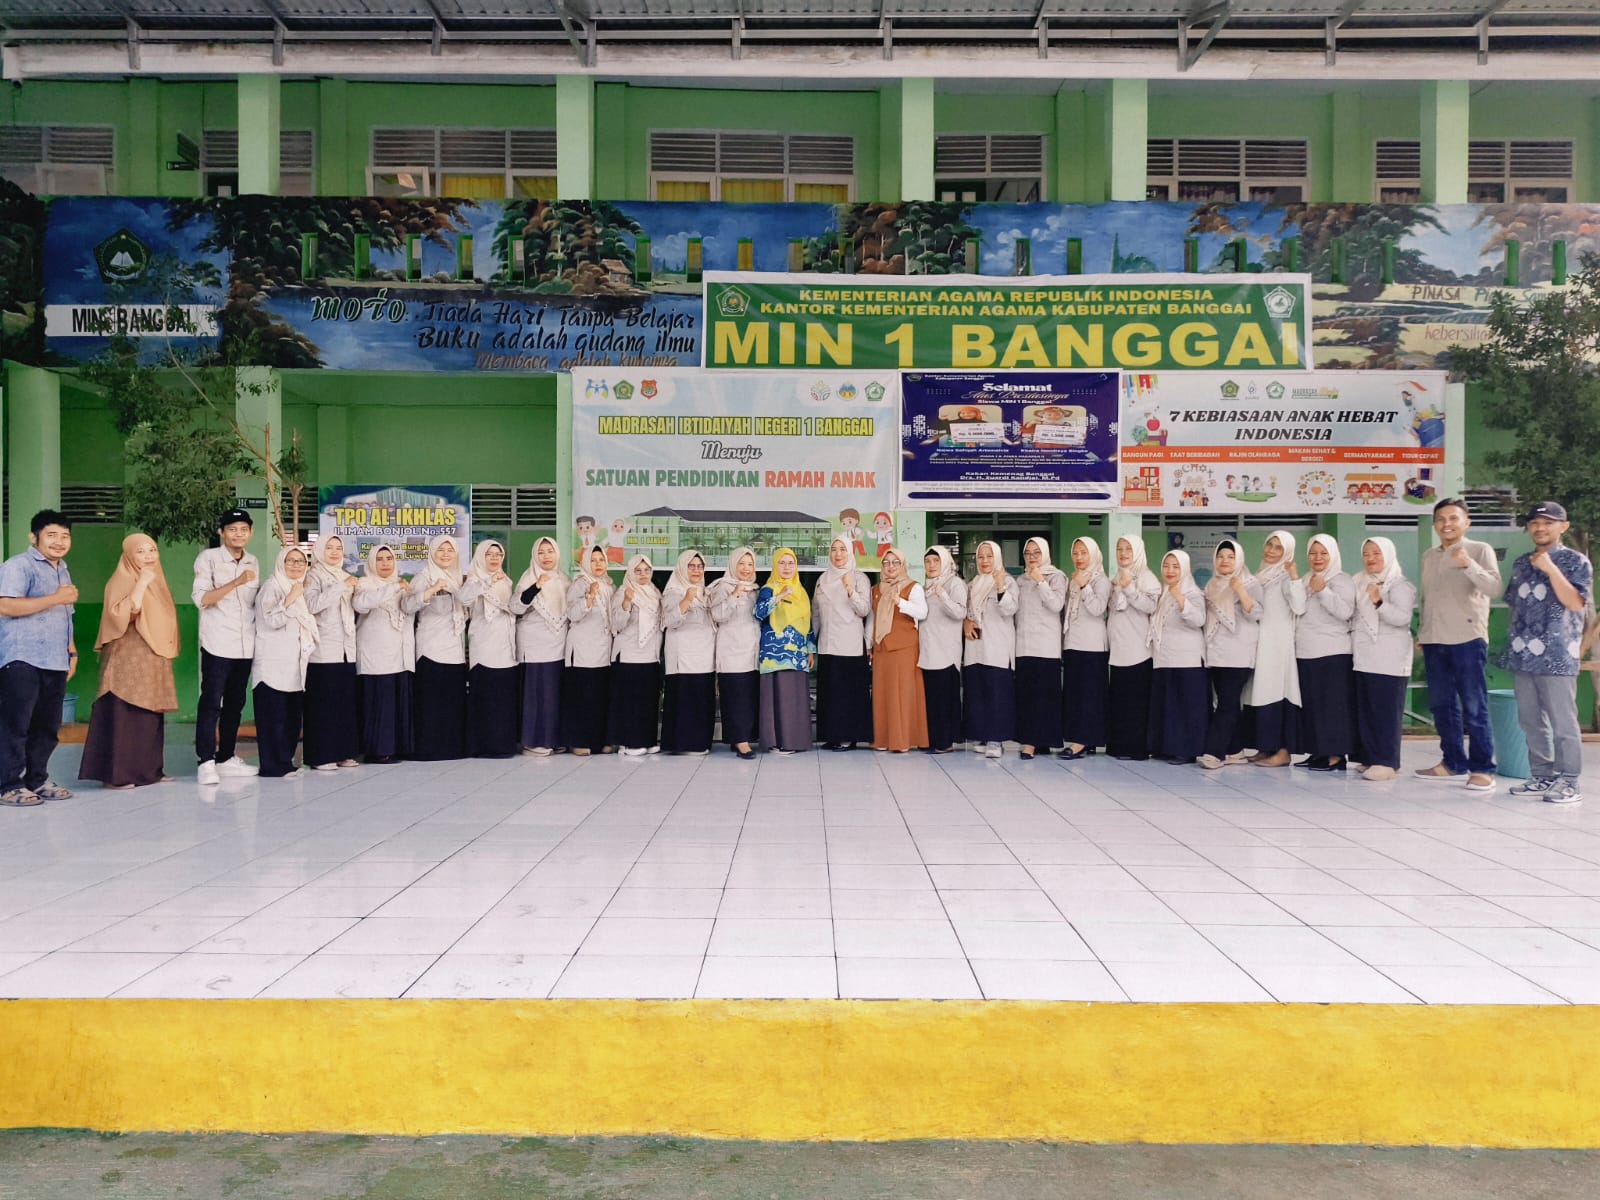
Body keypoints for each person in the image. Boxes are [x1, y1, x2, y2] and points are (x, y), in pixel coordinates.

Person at [1504, 501, 1592, 804]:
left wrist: (1550, 568)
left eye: (1548, 523)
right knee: (1530, 720)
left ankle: (1570, 781)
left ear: (1563, 527)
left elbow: (1575, 603)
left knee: (1563, 722)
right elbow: (1515, 605)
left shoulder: (1576, 562)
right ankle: (1542, 775)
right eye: (1535, 523)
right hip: (1523, 654)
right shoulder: (1521, 563)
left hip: (1558, 655)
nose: (1540, 528)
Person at [79, 533, 178, 789]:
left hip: (152, 658)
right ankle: (117, 777)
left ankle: (150, 772)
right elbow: (126, 614)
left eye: (152, 550)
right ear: (129, 556)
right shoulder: (121, 580)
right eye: (140, 552)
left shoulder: (159, 581)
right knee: (124, 713)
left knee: (149, 715)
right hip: (126, 659)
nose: (148, 556)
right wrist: (142, 582)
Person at [1416, 498, 1502, 791]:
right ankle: (1452, 762)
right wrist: (1423, 632)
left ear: (1467, 522)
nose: (1447, 524)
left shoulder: (1479, 550)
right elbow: (1428, 598)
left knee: (1474, 706)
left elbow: (1494, 588)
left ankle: (1483, 768)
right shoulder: (1429, 556)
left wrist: (1469, 565)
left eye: (1453, 518)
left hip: (1467, 640)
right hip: (1434, 640)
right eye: (1441, 519)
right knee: (1442, 705)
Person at [0, 510, 78, 806]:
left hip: (55, 658)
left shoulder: (62, 569)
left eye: (65, 536)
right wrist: (56, 598)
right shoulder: (18, 566)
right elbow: (6, 606)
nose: (59, 541)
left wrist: (71, 651)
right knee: (16, 724)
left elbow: (65, 615)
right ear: (34, 538)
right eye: (51, 535)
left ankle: (37, 779)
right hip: (22, 657)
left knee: (47, 726)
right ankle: (8, 784)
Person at [191, 507, 260, 786]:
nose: (238, 534)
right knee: (211, 702)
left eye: (243, 529)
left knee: (235, 703)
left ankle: (226, 757)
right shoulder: (208, 559)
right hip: (217, 644)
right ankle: (206, 761)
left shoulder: (253, 561)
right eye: (232, 529)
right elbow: (203, 599)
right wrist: (237, 581)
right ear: (222, 532)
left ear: (250, 533)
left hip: (246, 645)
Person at [1351, 537, 1417, 782]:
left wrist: (1378, 601)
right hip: (1364, 654)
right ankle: (1370, 757)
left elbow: (1402, 618)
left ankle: (1387, 762)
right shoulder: (1359, 581)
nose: (1371, 558)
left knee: (1386, 710)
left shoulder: (1399, 585)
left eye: (1377, 553)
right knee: (1367, 708)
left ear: (1388, 555)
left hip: (1390, 657)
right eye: (1366, 554)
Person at [1289, 533, 1356, 772]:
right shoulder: (1306, 578)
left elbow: (1345, 612)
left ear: (1333, 555)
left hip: (1332, 652)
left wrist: (1324, 591)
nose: (1317, 557)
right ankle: (1317, 751)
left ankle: (1335, 755)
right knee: (1312, 705)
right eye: (1313, 553)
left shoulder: (1341, 580)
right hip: (1306, 651)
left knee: (1332, 706)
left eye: (1323, 553)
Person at [253, 547, 318, 778]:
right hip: (272, 663)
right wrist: (290, 598)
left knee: (290, 716)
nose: (296, 565)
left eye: (301, 561)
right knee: (273, 717)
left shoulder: (298, 588)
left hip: (293, 664)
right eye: (291, 561)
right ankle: (272, 765)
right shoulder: (271, 587)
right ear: (281, 563)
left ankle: (286, 762)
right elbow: (272, 620)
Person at [1199, 539, 1263, 770]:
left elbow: (1256, 613)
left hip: (1238, 652)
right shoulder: (1212, 585)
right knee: (1228, 702)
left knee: (1226, 703)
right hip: (1216, 651)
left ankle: (1214, 753)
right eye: (1221, 556)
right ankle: (1235, 750)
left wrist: (1240, 591)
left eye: (1230, 556)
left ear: (1239, 559)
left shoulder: (1250, 582)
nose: (1225, 560)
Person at [353, 544, 419, 764]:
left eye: (389, 559)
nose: (385, 563)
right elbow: (362, 604)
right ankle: (377, 750)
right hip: (375, 655)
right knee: (378, 703)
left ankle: (397, 748)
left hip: (399, 654)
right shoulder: (365, 584)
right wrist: (393, 587)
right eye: (379, 559)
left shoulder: (403, 584)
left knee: (395, 703)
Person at [1242, 531, 1302, 768]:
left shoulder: (1285, 577)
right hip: (1261, 642)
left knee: (1277, 694)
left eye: (1278, 548)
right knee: (1259, 694)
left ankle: (1282, 751)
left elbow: (1299, 606)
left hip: (1277, 645)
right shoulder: (1260, 575)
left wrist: (1295, 578)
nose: (1271, 551)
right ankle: (1265, 747)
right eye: (1269, 544)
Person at [302, 535, 360, 772]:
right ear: (318, 550)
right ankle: (321, 755)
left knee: (343, 702)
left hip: (346, 649)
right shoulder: (313, 575)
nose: (335, 552)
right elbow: (312, 605)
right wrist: (342, 586)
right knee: (323, 704)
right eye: (329, 548)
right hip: (324, 648)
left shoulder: (343, 574)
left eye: (338, 548)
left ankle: (343, 752)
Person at [411, 534, 469, 761]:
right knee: (431, 703)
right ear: (432, 553)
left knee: (451, 701)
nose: (445, 554)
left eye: (450, 550)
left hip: (454, 650)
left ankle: (451, 748)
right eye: (441, 550)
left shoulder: (458, 579)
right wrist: (431, 590)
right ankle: (429, 749)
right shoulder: (424, 577)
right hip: (431, 649)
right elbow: (409, 605)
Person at [813, 535, 873, 750]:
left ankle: (849, 736)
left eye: (842, 549)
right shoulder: (822, 579)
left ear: (850, 552)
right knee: (830, 693)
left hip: (850, 645)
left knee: (848, 693)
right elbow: (816, 613)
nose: (838, 554)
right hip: (827, 644)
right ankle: (832, 736)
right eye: (834, 549)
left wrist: (850, 589)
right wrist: (811, 643)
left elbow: (864, 610)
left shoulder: (859, 578)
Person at [460, 539, 519, 758]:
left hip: (506, 646)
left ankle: (503, 745)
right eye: (489, 554)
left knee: (503, 698)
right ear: (480, 556)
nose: (495, 558)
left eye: (498, 554)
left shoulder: (506, 581)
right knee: (485, 697)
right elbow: (464, 598)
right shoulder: (474, 579)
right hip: (484, 646)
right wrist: (487, 581)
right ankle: (482, 745)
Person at [1148, 549, 1207, 764]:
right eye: (1166, 566)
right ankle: (1166, 747)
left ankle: (1187, 750)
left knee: (1186, 706)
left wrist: (1181, 599)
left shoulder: (1193, 593)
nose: (1170, 570)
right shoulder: (1164, 593)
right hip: (1165, 657)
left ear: (1185, 569)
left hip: (1187, 659)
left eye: (1175, 567)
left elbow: (1199, 619)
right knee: (1169, 705)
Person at [511, 536, 568, 756]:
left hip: (559, 644)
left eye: (550, 551)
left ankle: (553, 739)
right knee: (536, 695)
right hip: (534, 645)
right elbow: (516, 607)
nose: (546, 556)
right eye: (541, 552)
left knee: (554, 694)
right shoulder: (529, 577)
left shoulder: (565, 579)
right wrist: (536, 587)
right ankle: (533, 741)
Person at [1106, 534, 1160, 761]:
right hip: (1119, 649)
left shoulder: (1147, 577)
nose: (1123, 553)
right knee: (1121, 701)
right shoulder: (1117, 577)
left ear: (1137, 551)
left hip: (1138, 650)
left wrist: (1129, 588)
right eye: (1119, 549)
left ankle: (1137, 748)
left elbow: (1150, 606)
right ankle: (1119, 746)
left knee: (1137, 703)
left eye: (1128, 549)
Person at [754, 547, 813, 755]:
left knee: (793, 697)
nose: (787, 567)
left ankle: (794, 741)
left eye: (791, 563)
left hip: (797, 653)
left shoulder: (801, 591)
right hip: (774, 654)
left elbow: (807, 623)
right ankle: (776, 742)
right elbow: (758, 613)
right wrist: (778, 597)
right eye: (782, 563)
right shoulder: (768, 589)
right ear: (775, 565)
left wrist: (810, 649)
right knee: (776, 697)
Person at [870, 548, 929, 753]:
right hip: (882, 647)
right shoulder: (877, 588)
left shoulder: (913, 587)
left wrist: (900, 602)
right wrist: (870, 644)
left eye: (896, 562)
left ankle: (901, 740)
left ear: (903, 565)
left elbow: (922, 612)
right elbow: (873, 618)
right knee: (882, 694)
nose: (891, 566)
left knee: (901, 694)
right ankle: (883, 739)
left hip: (904, 647)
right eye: (886, 563)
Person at [1013, 536, 1066, 760]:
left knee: (1045, 696)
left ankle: (1040, 741)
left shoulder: (1056, 576)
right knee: (1027, 696)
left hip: (1046, 645)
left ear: (1045, 554)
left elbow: (1056, 604)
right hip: (1024, 645)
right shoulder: (1020, 580)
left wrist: (1041, 581)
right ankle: (1030, 741)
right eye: (1028, 553)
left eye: (1037, 552)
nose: (1032, 557)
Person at [964, 539, 1018, 759]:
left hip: (997, 646)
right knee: (978, 692)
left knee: (997, 694)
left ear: (997, 558)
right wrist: (966, 622)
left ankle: (996, 740)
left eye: (989, 556)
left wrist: (1000, 586)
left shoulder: (1007, 580)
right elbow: (966, 611)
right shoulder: (973, 584)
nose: (984, 560)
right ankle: (982, 736)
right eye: (980, 556)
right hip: (975, 645)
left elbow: (1010, 609)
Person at [661, 549, 717, 755]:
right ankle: (682, 744)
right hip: (683, 654)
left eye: (699, 566)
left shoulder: (706, 592)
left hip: (705, 654)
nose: (696, 570)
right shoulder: (673, 591)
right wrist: (685, 600)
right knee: (685, 698)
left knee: (701, 698)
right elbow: (669, 621)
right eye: (691, 566)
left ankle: (700, 743)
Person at [1061, 535, 1112, 760]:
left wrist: (1084, 585)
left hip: (1092, 646)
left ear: (1093, 555)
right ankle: (1086, 739)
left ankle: (1081, 741)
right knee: (1075, 694)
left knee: (1089, 696)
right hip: (1073, 643)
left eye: (1084, 553)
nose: (1079, 557)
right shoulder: (1074, 579)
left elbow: (1098, 609)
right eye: (1075, 553)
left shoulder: (1101, 580)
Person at [708, 546, 761, 759]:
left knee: (748, 696)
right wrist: (734, 595)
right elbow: (718, 615)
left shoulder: (755, 589)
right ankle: (741, 741)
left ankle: (741, 737)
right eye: (741, 563)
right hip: (731, 650)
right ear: (732, 564)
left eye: (750, 564)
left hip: (752, 650)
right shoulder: (723, 586)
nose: (746, 569)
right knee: (735, 696)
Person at [563, 546, 616, 756]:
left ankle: (600, 741)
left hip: (603, 648)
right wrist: (589, 597)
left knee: (600, 697)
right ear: (585, 563)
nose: (598, 564)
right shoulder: (579, 584)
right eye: (593, 560)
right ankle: (579, 741)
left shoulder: (610, 585)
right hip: (583, 648)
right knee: (582, 697)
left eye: (601, 560)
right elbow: (572, 614)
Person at [609, 554, 663, 756]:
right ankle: (628, 743)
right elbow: (617, 624)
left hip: (650, 654)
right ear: (630, 572)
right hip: (629, 654)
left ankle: (646, 740)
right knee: (630, 700)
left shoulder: (654, 592)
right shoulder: (623, 591)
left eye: (647, 570)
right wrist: (626, 602)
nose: (643, 574)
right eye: (638, 571)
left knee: (647, 699)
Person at [918, 546, 967, 755]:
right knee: (932, 699)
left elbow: (960, 612)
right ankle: (934, 739)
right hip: (928, 649)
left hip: (946, 651)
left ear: (945, 562)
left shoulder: (954, 583)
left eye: (936, 561)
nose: (931, 566)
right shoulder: (925, 587)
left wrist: (944, 596)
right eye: (927, 561)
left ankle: (946, 741)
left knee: (945, 698)